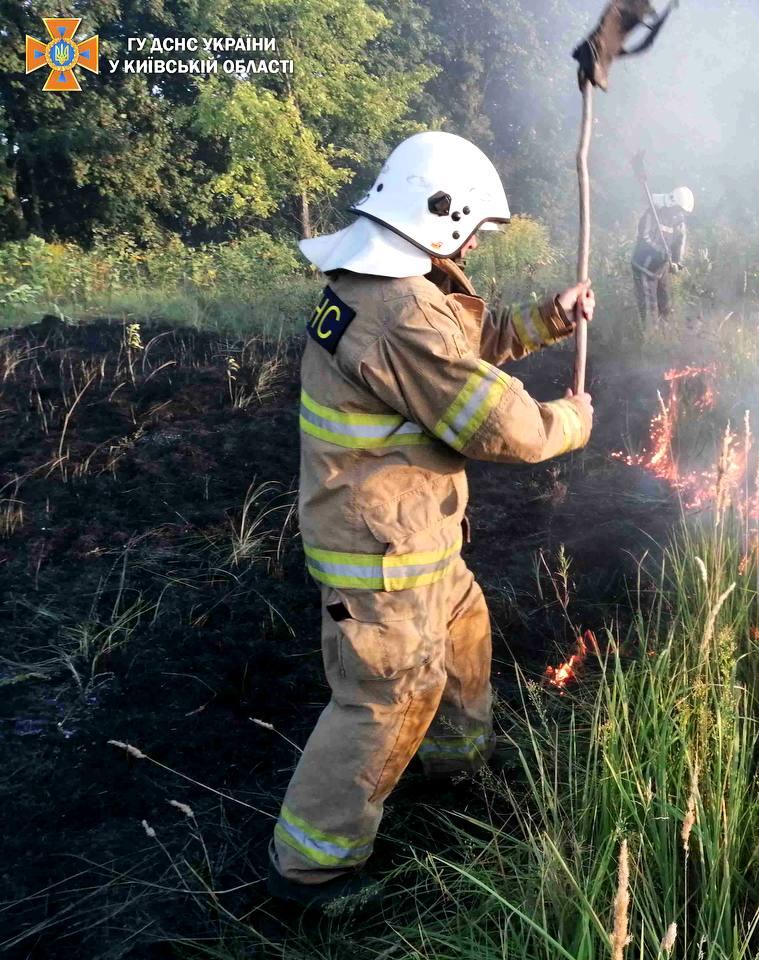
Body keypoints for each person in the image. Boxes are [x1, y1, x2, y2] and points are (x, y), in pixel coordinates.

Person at [268, 131, 595, 904]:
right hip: (380, 554)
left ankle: (451, 767)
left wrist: (549, 318)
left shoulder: (385, 287)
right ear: (438, 214)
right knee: (387, 695)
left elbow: (458, 350)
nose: (475, 244)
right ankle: (313, 868)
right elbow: (500, 423)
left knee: (464, 631)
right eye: (473, 228)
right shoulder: (398, 314)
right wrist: (570, 421)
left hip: (410, 538)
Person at [630, 186, 693, 325]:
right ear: (672, 204)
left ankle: (665, 332)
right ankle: (650, 334)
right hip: (644, 267)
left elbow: (679, 240)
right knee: (650, 309)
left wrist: (676, 261)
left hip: (661, 267)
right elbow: (644, 237)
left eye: (682, 211)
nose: (680, 213)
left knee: (665, 305)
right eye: (679, 209)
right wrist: (660, 251)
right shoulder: (653, 213)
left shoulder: (679, 219)